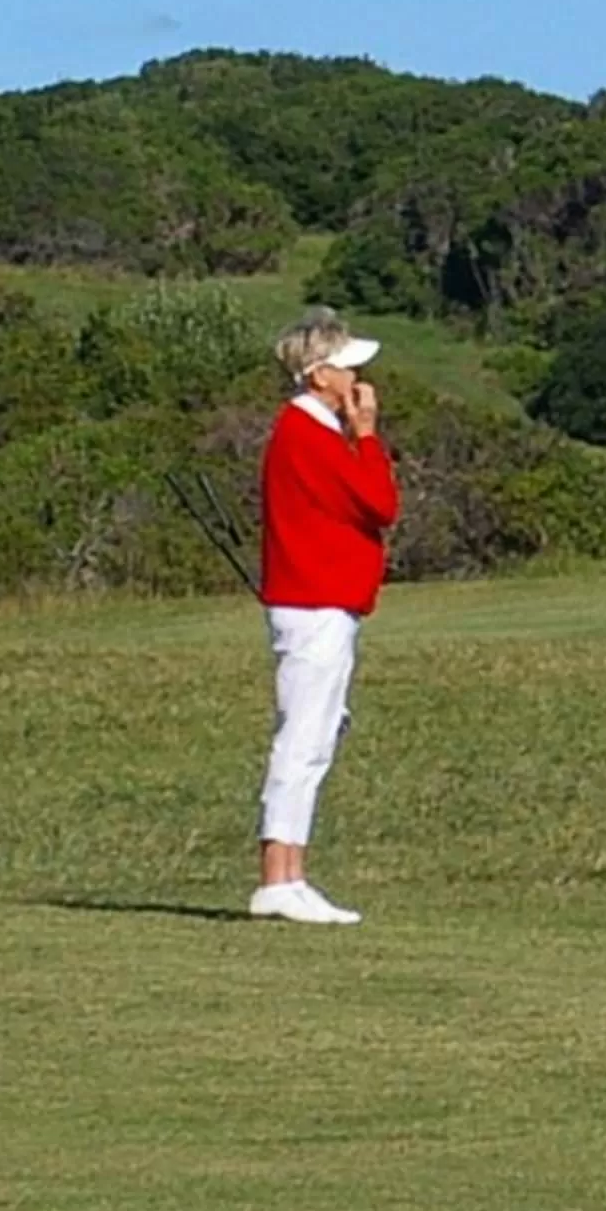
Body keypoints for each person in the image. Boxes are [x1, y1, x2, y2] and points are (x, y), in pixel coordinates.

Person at [251, 307, 401, 927]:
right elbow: (379, 501)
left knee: (316, 737)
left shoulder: (308, 430)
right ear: (320, 377)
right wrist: (365, 431)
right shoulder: (309, 435)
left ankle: (292, 874)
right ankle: (277, 876)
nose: (357, 377)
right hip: (313, 604)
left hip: (322, 601)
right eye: (345, 367)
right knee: (302, 739)